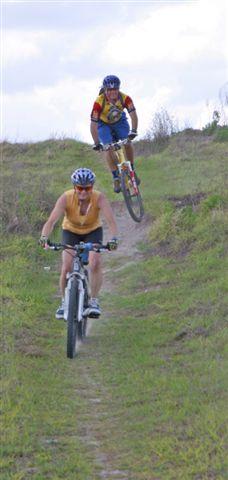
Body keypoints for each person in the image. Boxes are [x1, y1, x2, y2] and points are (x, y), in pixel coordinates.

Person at [39, 168, 118, 319]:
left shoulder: (99, 198)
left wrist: (114, 239)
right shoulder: (66, 198)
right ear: (75, 187)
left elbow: (111, 221)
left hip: (92, 231)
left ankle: (94, 301)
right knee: (67, 266)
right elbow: (51, 221)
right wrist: (44, 237)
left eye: (87, 188)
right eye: (79, 188)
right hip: (70, 231)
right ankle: (64, 302)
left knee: (95, 262)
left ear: (92, 187)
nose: (83, 192)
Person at [90, 75, 139, 193]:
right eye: (110, 90)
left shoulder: (125, 98)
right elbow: (93, 125)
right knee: (108, 147)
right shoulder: (98, 103)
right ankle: (116, 177)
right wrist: (97, 143)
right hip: (103, 124)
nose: (113, 93)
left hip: (119, 121)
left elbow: (133, 115)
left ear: (118, 89)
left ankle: (132, 168)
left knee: (127, 142)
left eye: (115, 89)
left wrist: (134, 130)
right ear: (105, 90)